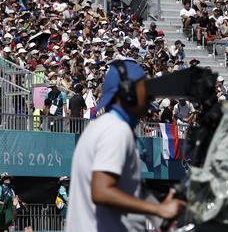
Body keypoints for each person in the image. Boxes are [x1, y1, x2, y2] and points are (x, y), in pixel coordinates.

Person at [66, 60, 185, 231]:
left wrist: (156, 211)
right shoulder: (116, 130)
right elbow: (101, 191)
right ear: (128, 92)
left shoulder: (104, 126)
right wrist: (158, 209)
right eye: (144, 87)